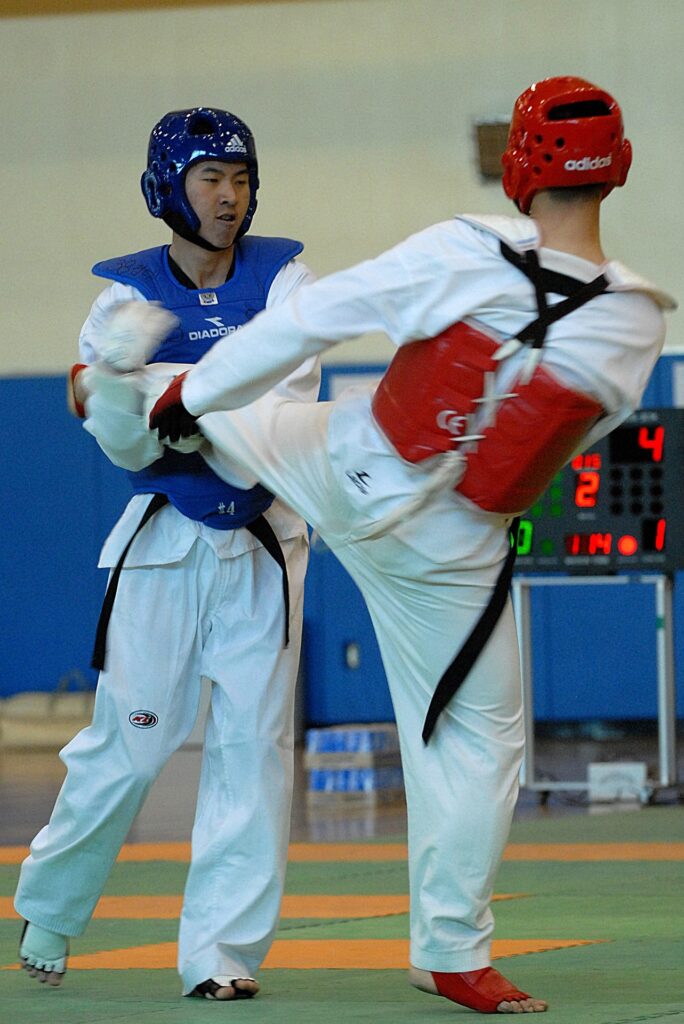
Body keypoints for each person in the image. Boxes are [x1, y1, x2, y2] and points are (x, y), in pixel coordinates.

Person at [147, 78, 675, 1013]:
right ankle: (450, 954)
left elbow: (312, 319)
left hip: (343, 462)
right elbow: (577, 437)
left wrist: (192, 399)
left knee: (233, 412)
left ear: (519, 168)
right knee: (480, 744)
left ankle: (131, 393)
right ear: (620, 167)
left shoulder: (465, 245)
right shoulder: (636, 318)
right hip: (448, 550)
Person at [15, 107, 320, 1002]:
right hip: (165, 544)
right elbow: (115, 437)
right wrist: (127, 396)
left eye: (241, 179)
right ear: (167, 189)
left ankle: (221, 956)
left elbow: (281, 406)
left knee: (253, 753)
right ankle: (52, 907)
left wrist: (163, 396)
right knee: (132, 745)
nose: (231, 198)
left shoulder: (287, 279)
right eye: (210, 180)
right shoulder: (123, 298)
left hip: (265, 542)